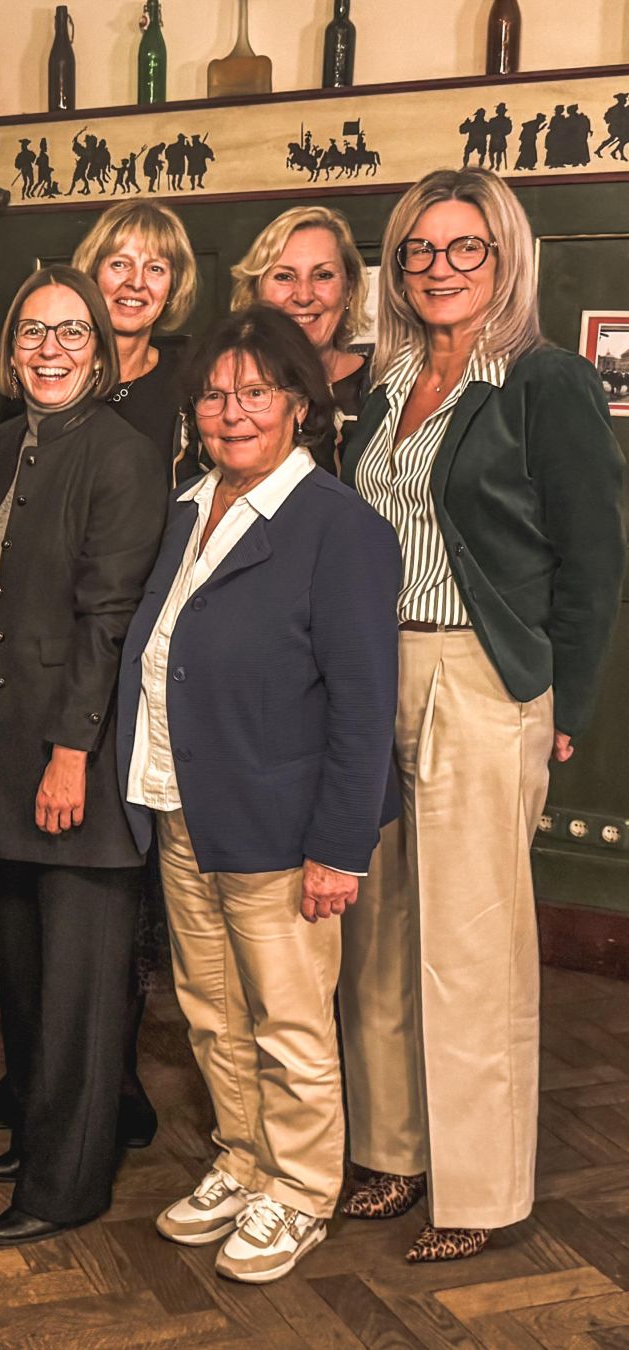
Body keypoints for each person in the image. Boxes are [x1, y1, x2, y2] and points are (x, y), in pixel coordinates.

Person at [340, 168, 627, 1264]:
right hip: (372, 673)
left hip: (482, 675)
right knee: (374, 932)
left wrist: (566, 698)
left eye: (467, 248)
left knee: (470, 942)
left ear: (506, 259)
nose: (441, 268)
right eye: (419, 249)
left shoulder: (545, 382)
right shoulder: (385, 383)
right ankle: (392, 1152)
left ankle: (479, 1189)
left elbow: (593, 559)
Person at [123, 305, 402, 1283]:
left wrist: (339, 848)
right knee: (211, 1010)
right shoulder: (187, 507)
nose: (232, 411)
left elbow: (364, 707)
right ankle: (243, 1162)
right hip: (184, 805)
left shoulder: (339, 528)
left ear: (298, 405)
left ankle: (302, 1190)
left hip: (283, 827)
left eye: (255, 392)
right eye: (214, 394)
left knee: (289, 1021)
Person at [0, 266, 169, 1247]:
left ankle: (69, 1184)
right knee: (25, 969)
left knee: (82, 984)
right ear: (11, 350)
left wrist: (68, 755)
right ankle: (44, 1135)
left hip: (76, 752)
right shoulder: (1, 447)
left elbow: (106, 620)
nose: (50, 350)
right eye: (32, 332)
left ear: (99, 351)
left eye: (71, 333)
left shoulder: (122, 454)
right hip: (6, 752)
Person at [71, 201, 200, 479]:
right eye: (120, 264)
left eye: (155, 269)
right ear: (93, 274)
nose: (136, 282)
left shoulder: (192, 378)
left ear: (173, 286)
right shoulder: (52, 370)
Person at [230, 205, 371, 451]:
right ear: (255, 290)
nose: (304, 296)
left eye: (323, 275)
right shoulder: (222, 394)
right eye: (284, 277)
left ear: (349, 289)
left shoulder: (385, 389)